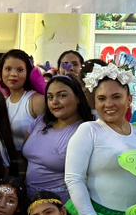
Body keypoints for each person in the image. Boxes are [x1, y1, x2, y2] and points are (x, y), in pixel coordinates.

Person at [63, 61, 136, 215]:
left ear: (129, 99)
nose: (108, 104)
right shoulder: (89, 130)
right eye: (101, 98)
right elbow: (73, 179)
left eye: (116, 97)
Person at [22, 75, 91, 203]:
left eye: (62, 95)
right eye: (50, 97)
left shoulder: (85, 130)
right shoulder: (41, 121)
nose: (54, 101)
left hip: (60, 206)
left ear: (78, 98)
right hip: (29, 199)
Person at [0, 49, 44, 150]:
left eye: (20, 70)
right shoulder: (4, 102)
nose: (13, 74)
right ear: (1, 72)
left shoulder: (36, 101)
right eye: (8, 69)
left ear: (28, 73)